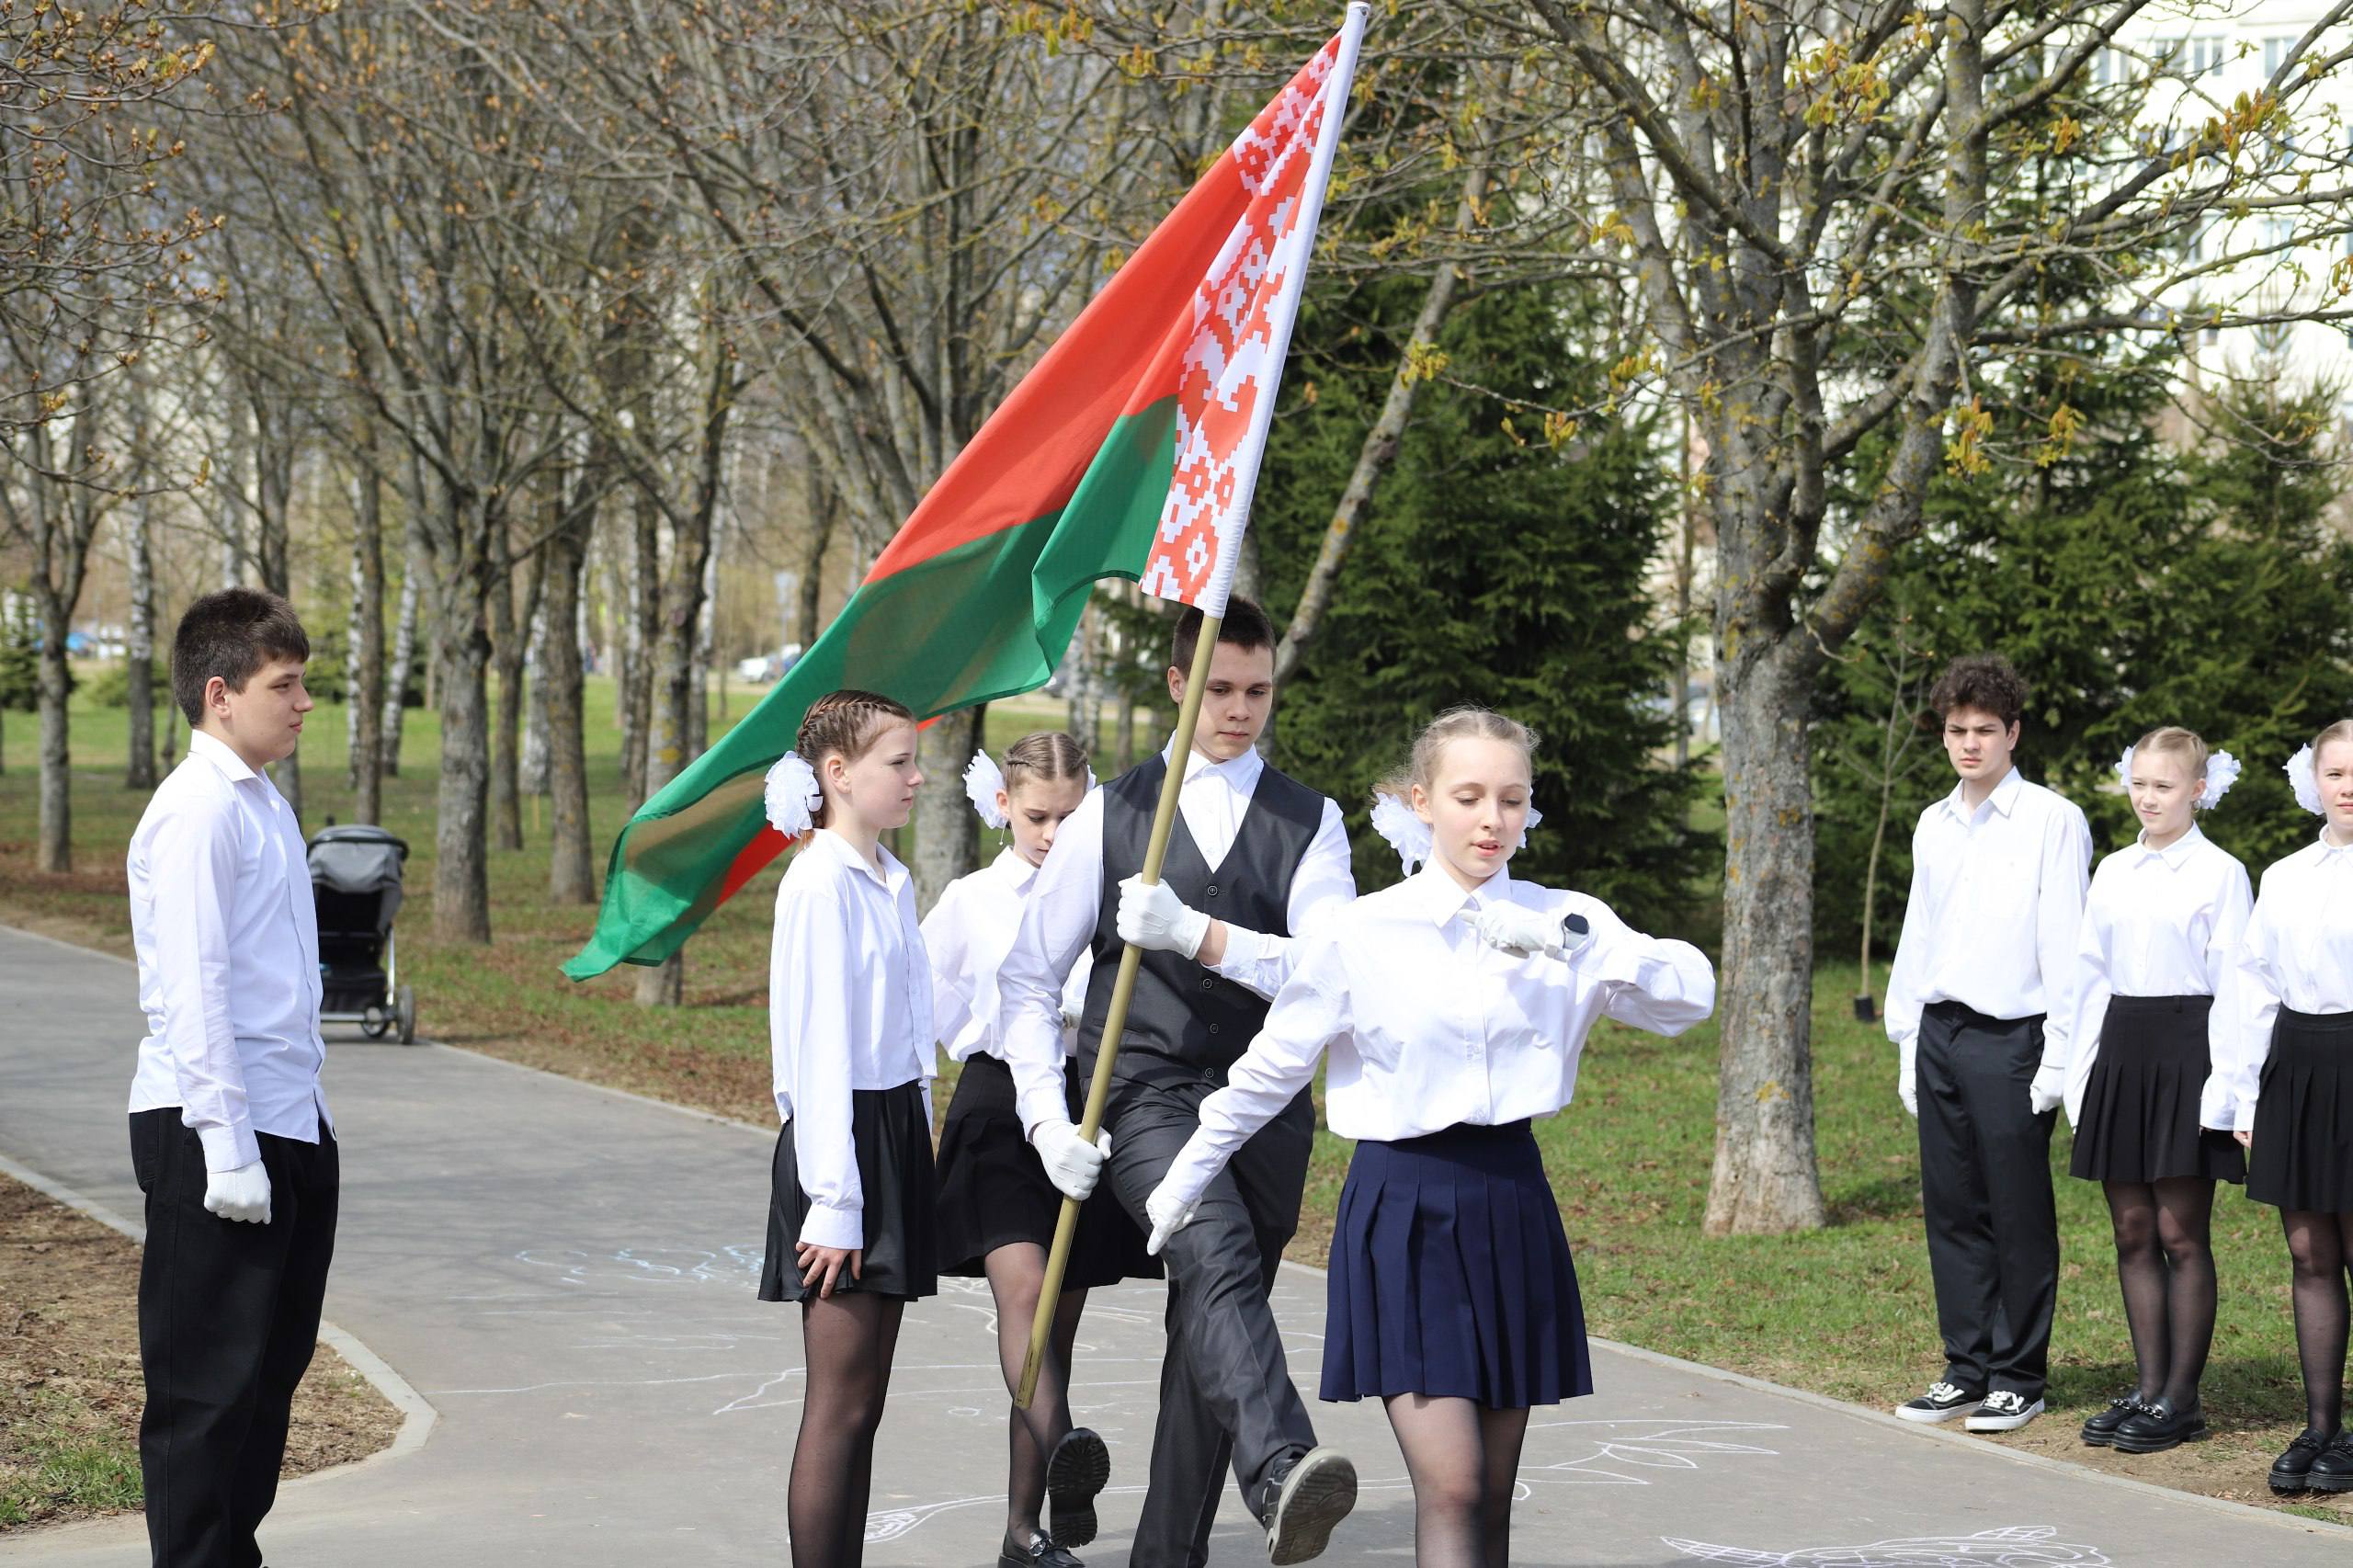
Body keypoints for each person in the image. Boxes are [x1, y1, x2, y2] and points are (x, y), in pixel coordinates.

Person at [1144, 708, 1713, 1568]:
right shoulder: (1363, 930)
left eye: (1512, 800)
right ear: (1423, 803)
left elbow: (1691, 996)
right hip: (1403, 1207)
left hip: (1511, 1200)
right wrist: (1187, 1175)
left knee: (1490, 1492)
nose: (1493, 820)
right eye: (1469, 797)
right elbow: (1271, 1068)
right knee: (1451, 1484)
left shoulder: (1565, 919)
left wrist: (1577, 948)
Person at [996, 596, 1360, 1566]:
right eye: (1220, 688)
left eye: (1258, 691)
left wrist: (1200, 934)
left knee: (1211, 1330)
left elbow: (1329, 975)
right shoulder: (1109, 814)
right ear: (1177, 683)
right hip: (1144, 1091)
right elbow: (1025, 981)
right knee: (1215, 1254)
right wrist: (1044, 1120)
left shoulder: (1313, 822)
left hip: (1266, 1106)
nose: (1240, 710)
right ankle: (1281, 1468)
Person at [127, 587, 338, 1568]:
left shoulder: (262, 803)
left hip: (287, 1120)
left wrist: (303, 1130)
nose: (303, 703)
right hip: (214, 1126)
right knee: (206, 1391)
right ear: (220, 693)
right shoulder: (197, 809)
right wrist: (226, 1143)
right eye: (283, 685)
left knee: (264, 1380)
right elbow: (194, 987)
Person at [926, 733, 1137, 1568]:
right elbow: (924, 994)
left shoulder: (1112, 897)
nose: (1052, 834)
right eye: (1037, 816)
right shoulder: (972, 897)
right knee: (1022, 1295)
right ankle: (1066, 1455)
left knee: (1057, 1327)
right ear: (1003, 805)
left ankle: (1025, 1531)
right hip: (999, 1105)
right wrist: (985, 1032)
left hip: (1083, 1107)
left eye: (1069, 817)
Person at [1884, 653, 2092, 1433]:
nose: (1969, 744)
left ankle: (2019, 1375)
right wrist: (1908, 1040)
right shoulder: (1933, 824)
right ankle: (1964, 1367)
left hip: (2013, 1037)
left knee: (2017, 1210)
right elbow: (1920, 933)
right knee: (1952, 1207)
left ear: (2013, 733)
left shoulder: (2051, 819)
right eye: (1956, 730)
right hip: (1940, 1030)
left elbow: (2066, 941)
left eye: (1984, 730)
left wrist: (2060, 1056)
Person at [756, 690, 937, 1567]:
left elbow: (907, 1029)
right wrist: (834, 1198)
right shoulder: (820, 883)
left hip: (889, 1131)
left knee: (867, 1402)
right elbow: (815, 1053)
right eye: (898, 763)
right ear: (837, 774)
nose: (915, 777)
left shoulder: (890, 879)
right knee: (838, 1402)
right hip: (844, 1146)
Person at [2060, 728, 2250, 1454]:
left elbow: (2236, 988)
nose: (2147, 798)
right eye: (2138, 783)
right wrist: (2081, 1078)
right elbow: (2088, 977)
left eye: (2163, 786)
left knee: (2179, 1233)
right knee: (2132, 1230)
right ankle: (2148, 1388)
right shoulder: (2113, 871)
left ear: (2197, 790)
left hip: (2188, 1053)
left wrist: (2226, 1089)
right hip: (2122, 1051)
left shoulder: (2221, 873)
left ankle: (2181, 1398)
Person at [2211, 720, 2353, 1495]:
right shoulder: (2286, 875)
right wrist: (2246, 1093)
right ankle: (2322, 1425)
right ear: (2314, 782)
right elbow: (2254, 986)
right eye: (2336, 773)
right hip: (2297, 1065)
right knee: (2309, 1251)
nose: (2349, 787)